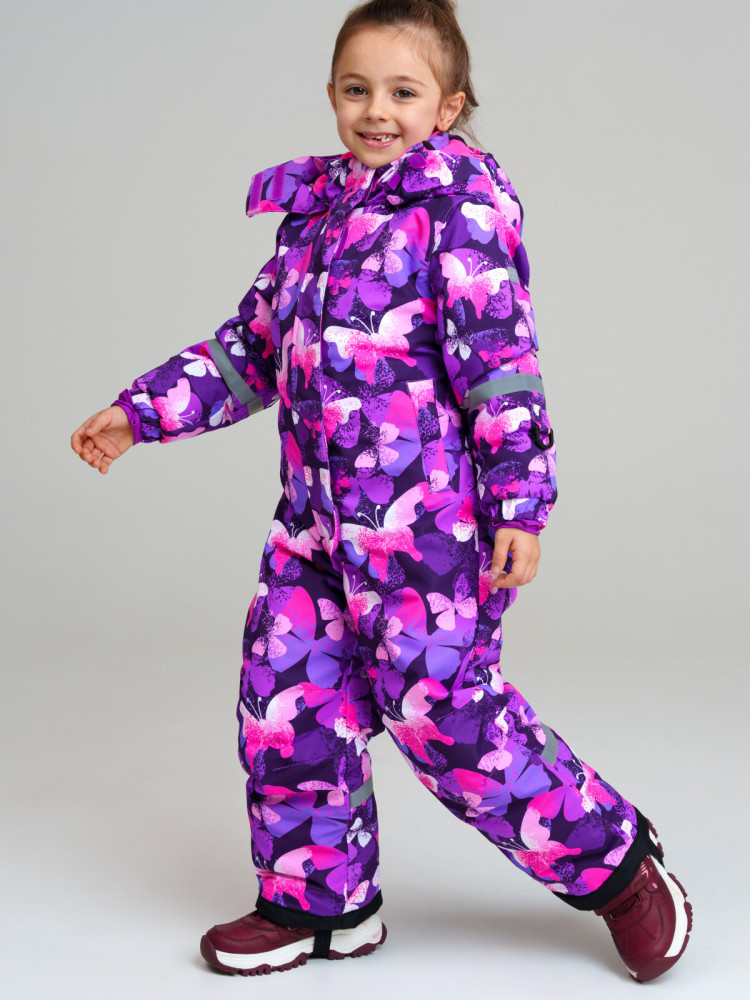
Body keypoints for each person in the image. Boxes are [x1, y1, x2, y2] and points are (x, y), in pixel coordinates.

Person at [70, 0, 691, 983]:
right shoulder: (315, 219)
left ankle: (616, 866)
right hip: (314, 531)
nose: (377, 110)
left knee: (445, 719)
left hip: (428, 535)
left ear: (447, 107)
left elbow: (500, 367)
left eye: (403, 92)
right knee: (288, 702)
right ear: (331, 95)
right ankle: (319, 902)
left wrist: (520, 505)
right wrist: (139, 412)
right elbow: (252, 349)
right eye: (357, 89)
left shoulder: (460, 211)